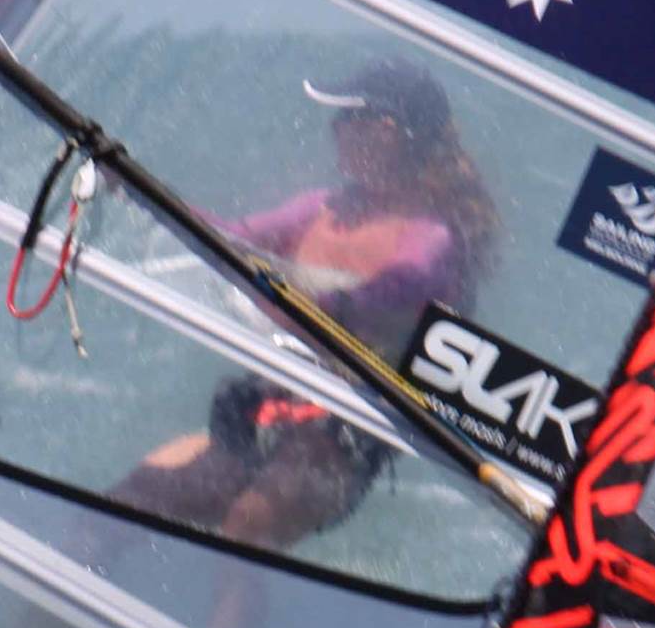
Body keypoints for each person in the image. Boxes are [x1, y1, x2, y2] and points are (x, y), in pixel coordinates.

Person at [108, 63, 500, 551]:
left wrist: (289, 295)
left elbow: (375, 301)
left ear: (386, 132)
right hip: (265, 410)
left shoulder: (431, 240)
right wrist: (143, 192)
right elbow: (229, 240)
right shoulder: (321, 207)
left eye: (345, 119)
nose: (333, 131)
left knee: (248, 523)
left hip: (339, 440)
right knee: (124, 505)